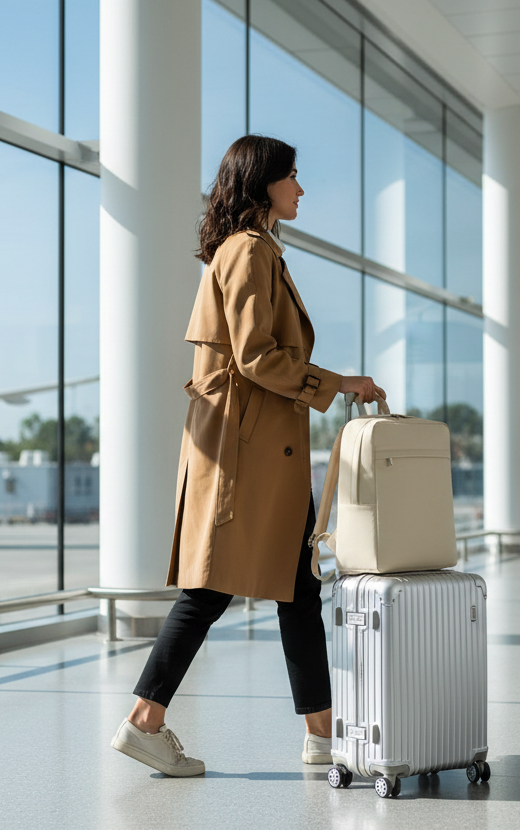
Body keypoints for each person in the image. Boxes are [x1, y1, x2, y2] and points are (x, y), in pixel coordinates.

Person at [110, 135, 386, 777]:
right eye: (292, 176)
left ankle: (322, 736)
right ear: (263, 183)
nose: (300, 188)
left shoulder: (254, 251)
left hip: (260, 451)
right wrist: (338, 382)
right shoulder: (248, 251)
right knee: (209, 590)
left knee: (297, 590)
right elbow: (256, 356)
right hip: (246, 456)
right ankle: (143, 722)